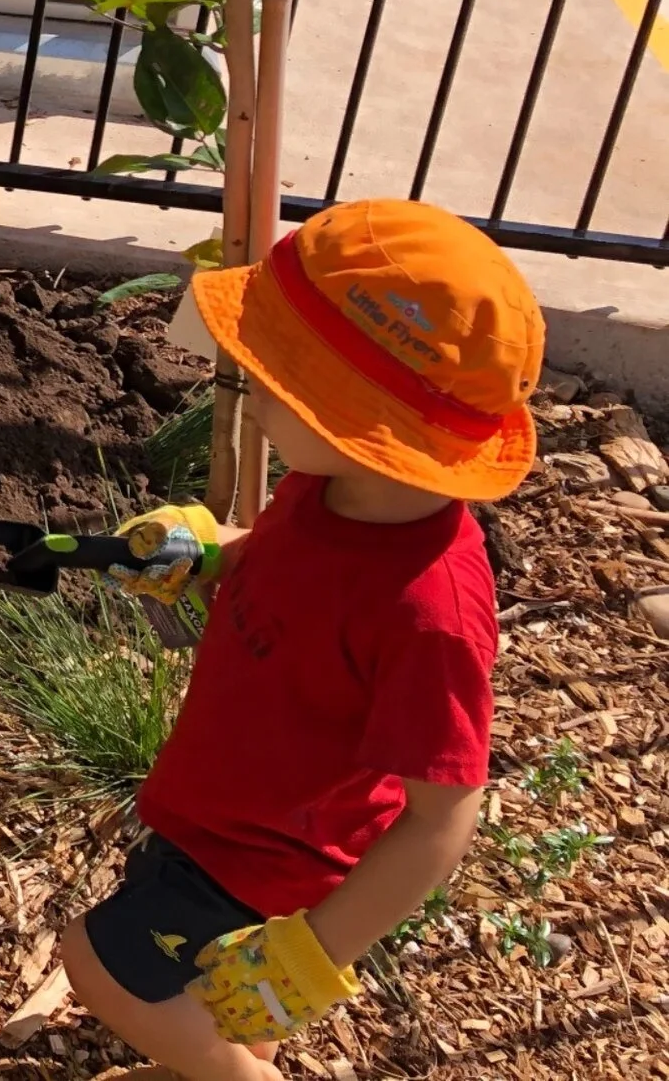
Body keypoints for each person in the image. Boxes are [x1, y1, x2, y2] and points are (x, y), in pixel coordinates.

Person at [62, 199, 536, 1081]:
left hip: (271, 856)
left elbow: (444, 813)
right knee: (220, 1005)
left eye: (276, 367)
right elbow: (285, 566)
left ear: (354, 415)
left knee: (101, 962)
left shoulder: (428, 609)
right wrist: (210, 551)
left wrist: (315, 951)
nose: (247, 374)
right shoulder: (329, 489)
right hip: (223, 804)